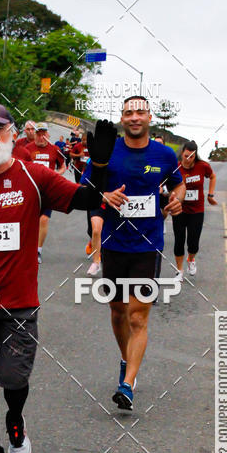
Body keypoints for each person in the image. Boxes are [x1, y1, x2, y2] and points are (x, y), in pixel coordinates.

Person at [0, 103, 120, 453]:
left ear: (11, 134)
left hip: (18, 305)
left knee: (15, 380)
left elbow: (86, 199)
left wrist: (99, 167)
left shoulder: (34, 176)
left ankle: (16, 420)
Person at [82, 96, 185, 411]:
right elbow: (87, 187)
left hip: (147, 245)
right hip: (113, 244)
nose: (134, 117)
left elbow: (178, 185)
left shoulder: (165, 155)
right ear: (122, 118)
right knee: (117, 310)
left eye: (140, 112)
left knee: (137, 315)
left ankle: (127, 384)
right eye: (128, 113)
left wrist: (177, 200)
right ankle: (126, 360)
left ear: (149, 117)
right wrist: (104, 194)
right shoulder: (107, 151)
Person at [172, 140, 216, 279]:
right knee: (179, 240)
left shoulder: (202, 166)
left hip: (197, 210)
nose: (188, 159)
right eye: (185, 156)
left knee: (193, 242)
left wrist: (210, 194)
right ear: (182, 154)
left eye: (191, 157)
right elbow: (167, 183)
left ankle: (191, 259)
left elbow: (213, 176)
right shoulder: (176, 167)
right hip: (179, 209)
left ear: (195, 155)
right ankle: (179, 271)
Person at [23, 121, 66, 263]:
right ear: (34, 135)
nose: (41, 137)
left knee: (44, 219)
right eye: (38, 134)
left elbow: (63, 166)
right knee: (30, 220)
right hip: (30, 190)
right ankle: (26, 248)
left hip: (48, 190)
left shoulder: (55, 149)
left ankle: (38, 250)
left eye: (43, 134)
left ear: (47, 134)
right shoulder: (27, 149)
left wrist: (56, 175)